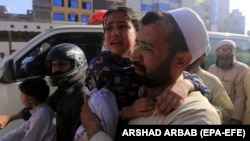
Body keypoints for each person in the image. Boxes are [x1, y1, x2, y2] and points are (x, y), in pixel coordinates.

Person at [81, 7, 221, 141]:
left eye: (147, 48)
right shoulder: (142, 84)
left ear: (180, 61)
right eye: (138, 44)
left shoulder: (196, 117)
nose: (133, 57)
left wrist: (94, 130)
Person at [0, 43, 88, 141]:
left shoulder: (81, 98)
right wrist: (10, 117)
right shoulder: (63, 91)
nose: (56, 69)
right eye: (54, 65)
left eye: (62, 64)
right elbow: (38, 108)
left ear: (77, 65)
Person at [208, 39, 250, 124]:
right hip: (213, 113)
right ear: (217, 52)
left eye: (230, 50)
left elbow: (240, 97)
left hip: (230, 116)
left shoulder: (242, 69)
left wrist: (236, 119)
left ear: (234, 52)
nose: (226, 52)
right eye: (223, 50)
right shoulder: (212, 68)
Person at [185, 53, 234, 124]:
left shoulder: (212, 81)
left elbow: (227, 112)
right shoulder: (170, 77)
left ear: (202, 57)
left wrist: (204, 110)